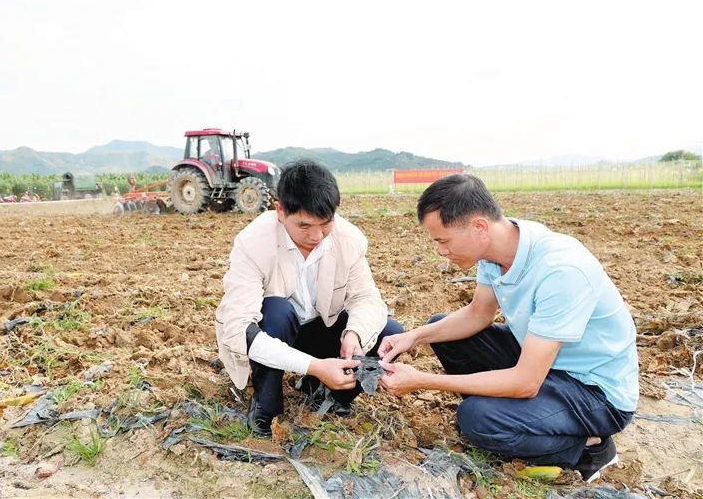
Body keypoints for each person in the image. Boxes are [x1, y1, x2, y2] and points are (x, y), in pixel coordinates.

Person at [377, 174, 638, 483]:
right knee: (439, 329)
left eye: (443, 241)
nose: (440, 251)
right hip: (547, 360)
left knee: (476, 419)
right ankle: (515, 414)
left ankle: (589, 449)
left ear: (479, 227)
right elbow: (478, 314)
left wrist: (423, 380)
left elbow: (527, 382)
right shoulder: (498, 250)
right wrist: (413, 336)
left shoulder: (561, 270)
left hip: (594, 392)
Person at [215, 159, 404, 437]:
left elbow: (368, 300)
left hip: (319, 330)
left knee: (389, 332)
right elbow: (239, 329)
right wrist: (314, 366)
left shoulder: (348, 240)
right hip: (276, 331)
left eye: (325, 224)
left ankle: (329, 396)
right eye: (304, 225)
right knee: (277, 310)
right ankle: (266, 404)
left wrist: (354, 335)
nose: (316, 236)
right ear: (280, 210)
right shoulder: (253, 243)